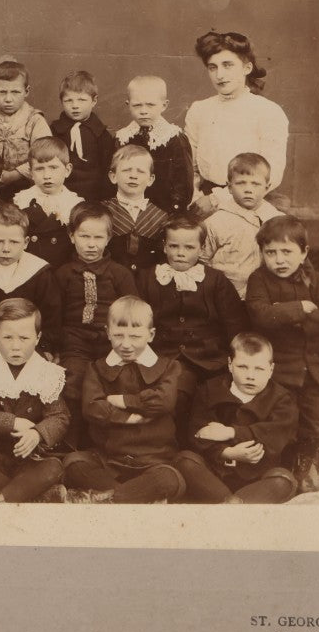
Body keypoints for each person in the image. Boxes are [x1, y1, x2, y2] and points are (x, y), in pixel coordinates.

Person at [244, 215, 319, 488]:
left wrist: (292, 319)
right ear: (262, 253)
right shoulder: (259, 280)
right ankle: (280, 466)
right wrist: (300, 308)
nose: (279, 260)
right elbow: (260, 315)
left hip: (314, 367)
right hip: (280, 369)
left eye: (287, 252)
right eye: (271, 253)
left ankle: (303, 458)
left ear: (304, 252)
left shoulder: (316, 280)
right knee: (280, 420)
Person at [61, 296, 189, 504]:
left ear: (151, 335)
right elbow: (92, 407)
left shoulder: (168, 367)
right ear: (107, 333)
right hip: (109, 459)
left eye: (135, 336)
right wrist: (128, 418)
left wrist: (123, 400)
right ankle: (131, 497)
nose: (126, 344)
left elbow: (164, 401)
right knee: (73, 463)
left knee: (170, 479)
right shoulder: (97, 368)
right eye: (118, 335)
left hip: (154, 459)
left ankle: (110, 499)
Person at [0, 298, 67, 503]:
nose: (15, 346)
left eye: (24, 338)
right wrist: (13, 422)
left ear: (38, 338)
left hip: (29, 456)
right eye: (7, 337)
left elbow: (59, 416)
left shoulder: (46, 373)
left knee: (53, 467)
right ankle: (27, 491)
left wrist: (37, 433)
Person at [136, 215, 248, 405]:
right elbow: (137, 320)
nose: (181, 253)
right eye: (174, 246)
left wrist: (236, 357)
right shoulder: (147, 278)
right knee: (176, 394)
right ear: (164, 246)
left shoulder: (216, 280)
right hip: (164, 357)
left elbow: (234, 323)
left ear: (201, 249)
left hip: (210, 358)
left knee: (220, 399)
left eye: (189, 247)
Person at [51, 202, 139, 437]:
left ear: (109, 238)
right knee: (72, 381)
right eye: (84, 236)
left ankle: (110, 438)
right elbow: (55, 315)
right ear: (72, 236)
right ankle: (72, 440)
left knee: (114, 382)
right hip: (75, 343)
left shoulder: (120, 274)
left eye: (98, 237)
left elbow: (132, 312)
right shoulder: (63, 274)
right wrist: (54, 347)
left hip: (111, 342)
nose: (91, 244)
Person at [179, 333, 299, 504]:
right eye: (243, 367)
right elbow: (197, 434)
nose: (250, 376)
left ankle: (227, 504)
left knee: (283, 480)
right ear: (230, 364)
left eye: (259, 369)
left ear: (271, 370)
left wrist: (231, 432)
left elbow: (276, 435)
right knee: (184, 460)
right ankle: (234, 505)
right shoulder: (210, 390)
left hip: (257, 477)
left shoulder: (282, 399)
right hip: (214, 475)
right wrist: (227, 453)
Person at [184, 31, 289, 214]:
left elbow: (273, 172)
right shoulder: (199, 110)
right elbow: (189, 166)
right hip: (204, 200)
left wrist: (217, 199)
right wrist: (196, 198)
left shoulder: (268, 111)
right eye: (212, 67)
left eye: (228, 65)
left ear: (246, 68)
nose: (219, 75)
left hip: (252, 200)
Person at [0, 203, 60, 360]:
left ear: (26, 242)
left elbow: (51, 315)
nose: (6, 249)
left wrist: (46, 345)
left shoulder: (40, 272)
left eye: (14, 242)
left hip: (30, 346)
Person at [200, 152, 284, 298]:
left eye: (255, 184)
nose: (248, 189)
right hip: (224, 297)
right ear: (229, 187)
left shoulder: (278, 221)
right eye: (241, 183)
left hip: (266, 298)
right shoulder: (216, 222)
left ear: (267, 187)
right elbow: (201, 260)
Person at [113, 75, 193, 215]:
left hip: (166, 210)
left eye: (150, 105)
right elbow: (115, 176)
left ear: (164, 105)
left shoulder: (173, 138)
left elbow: (183, 182)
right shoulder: (123, 138)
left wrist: (175, 211)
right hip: (129, 209)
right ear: (128, 105)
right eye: (137, 105)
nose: (143, 111)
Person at [12, 137, 83, 266]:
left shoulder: (75, 205)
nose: (47, 176)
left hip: (62, 268)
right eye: (39, 169)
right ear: (31, 173)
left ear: (67, 170)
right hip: (29, 268)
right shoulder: (21, 201)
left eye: (53, 167)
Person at [102, 144, 172, 275]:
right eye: (126, 170)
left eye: (140, 171)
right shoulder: (102, 212)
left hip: (148, 280)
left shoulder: (160, 216)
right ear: (113, 176)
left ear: (150, 179)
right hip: (111, 278)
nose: (133, 176)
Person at [48, 70, 115, 203]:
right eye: (69, 100)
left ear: (94, 101)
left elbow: (107, 168)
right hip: (62, 192)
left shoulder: (101, 134)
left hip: (94, 194)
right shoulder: (55, 131)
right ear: (61, 101)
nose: (75, 106)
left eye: (82, 100)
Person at [0, 59, 50, 198]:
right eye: (2, 92)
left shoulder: (35, 120)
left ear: (26, 91)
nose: (8, 99)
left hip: (27, 188)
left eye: (15, 92)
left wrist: (15, 174)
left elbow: (44, 156)